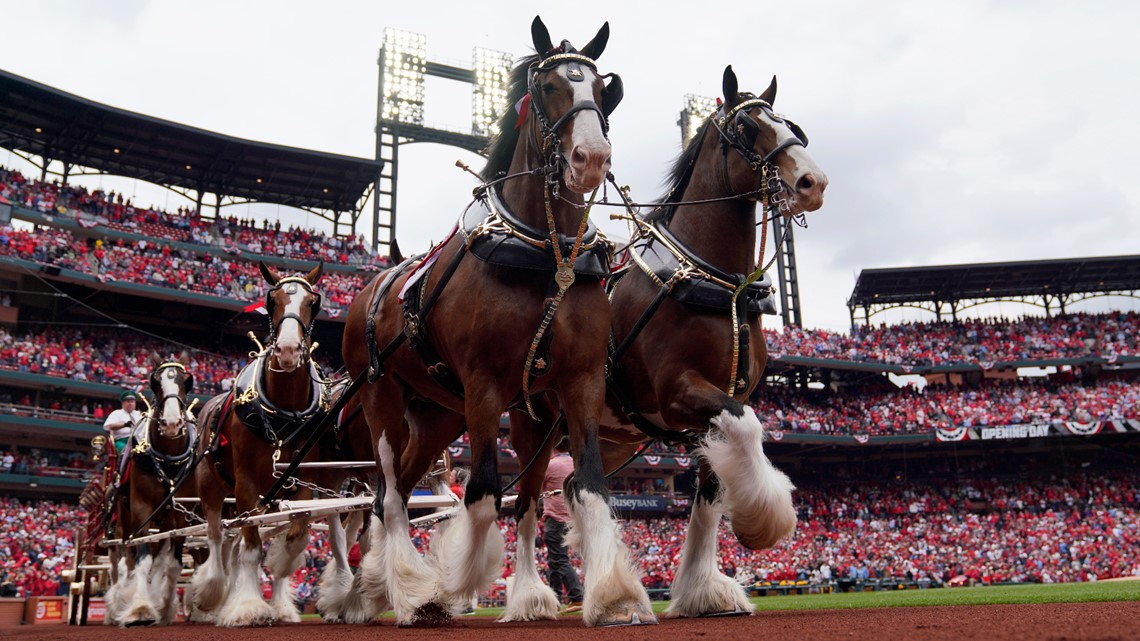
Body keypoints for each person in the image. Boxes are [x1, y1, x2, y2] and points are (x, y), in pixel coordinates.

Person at [542, 437, 584, 613]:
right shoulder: (575, 464)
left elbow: (533, 487)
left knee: (559, 560)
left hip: (556, 518)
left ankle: (577, 597)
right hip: (571, 518)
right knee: (554, 561)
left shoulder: (550, 465)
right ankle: (555, 599)